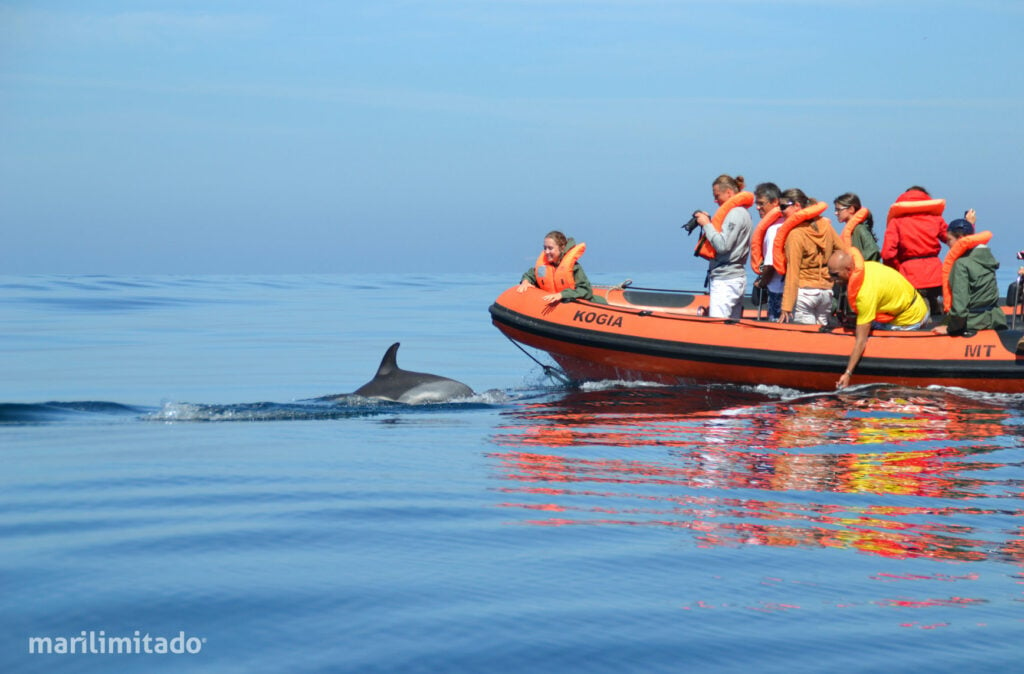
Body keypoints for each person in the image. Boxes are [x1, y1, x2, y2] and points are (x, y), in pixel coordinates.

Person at [828, 249, 930, 389]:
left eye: (835, 275)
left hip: (911, 319)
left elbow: (861, 341)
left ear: (848, 269)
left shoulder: (865, 294)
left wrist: (848, 373)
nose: (832, 279)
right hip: (917, 304)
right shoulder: (867, 266)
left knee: (865, 331)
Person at [932, 210, 1007, 336]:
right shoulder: (986, 259)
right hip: (994, 318)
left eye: (949, 240)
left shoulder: (961, 265)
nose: (948, 244)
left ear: (960, 239)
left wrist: (951, 328)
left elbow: (960, 307)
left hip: (973, 322)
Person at [773, 188, 841, 325]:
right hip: (826, 292)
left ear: (797, 206)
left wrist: (786, 306)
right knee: (821, 337)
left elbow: (793, 272)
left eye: (783, 207)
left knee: (804, 339)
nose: (781, 211)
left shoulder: (796, 235)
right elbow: (843, 252)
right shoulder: (825, 225)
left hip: (805, 292)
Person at [692, 174, 753, 319]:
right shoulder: (740, 213)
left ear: (729, 193)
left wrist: (706, 224)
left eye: (717, 195)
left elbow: (723, 246)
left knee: (718, 325)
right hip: (734, 277)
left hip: (726, 280)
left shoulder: (735, 214)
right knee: (732, 324)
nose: (715, 200)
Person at [881, 186, 948, 316]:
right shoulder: (936, 219)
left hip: (909, 275)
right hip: (936, 273)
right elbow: (955, 241)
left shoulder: (896, 222)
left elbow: (887, 254)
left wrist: (897, 269)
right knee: (938, 312)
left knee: (917, 314)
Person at [517, 230, 595, 304]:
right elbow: (531, 275)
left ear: (562, 248)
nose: (546, 252)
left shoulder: (574, 268)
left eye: (550, 248)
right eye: (545, 248)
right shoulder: (543, 267)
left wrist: (562, 295)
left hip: (577, 307)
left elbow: (586, 291)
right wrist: (525, 281)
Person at [750, 182, 785, 321]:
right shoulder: (787, 224)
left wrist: (762, 282)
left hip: (777, 289)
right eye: (756, 204)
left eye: (761, 203)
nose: (758, 208)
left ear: (775, 202)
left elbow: (771, 264)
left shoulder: (773, 230)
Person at [834, 192, 880, 262]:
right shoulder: (850, 231)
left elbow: (873, 250)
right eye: (835, 210)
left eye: (838, 210)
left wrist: (854, 262)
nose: (836, 213)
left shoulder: (860, 229)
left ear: (851, 209)